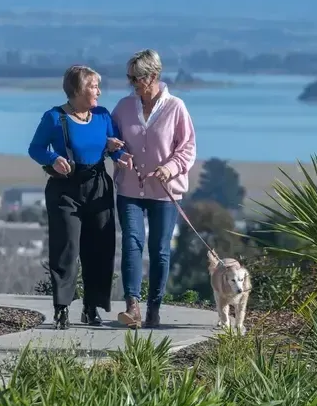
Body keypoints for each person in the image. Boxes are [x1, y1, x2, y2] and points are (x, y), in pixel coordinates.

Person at [28, 65, 130, 329]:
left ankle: (91, 307)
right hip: (65, 189)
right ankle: (61, 308)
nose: (98, 91)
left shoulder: (102, 115)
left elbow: (114, 147)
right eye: (93, 86)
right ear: (77, 90)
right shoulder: (54, 117)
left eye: (98, 86)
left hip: (98, 186)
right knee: (66, 248)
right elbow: (35, 148)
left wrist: (119, 154)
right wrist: (53, 158)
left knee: (100, 248)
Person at [111, 49, 196, 329]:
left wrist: (169, 168)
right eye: (130, 77)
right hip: (129, 189)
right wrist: (115, 150)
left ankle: (154, 309)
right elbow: (110, 138)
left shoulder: (176, 107)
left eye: (137, 78)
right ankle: (132, 306)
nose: (132, 83)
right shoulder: (124, 107)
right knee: (131, 242)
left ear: (154, 76)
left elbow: (187, 148)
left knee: (160, 249)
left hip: (164, 191)